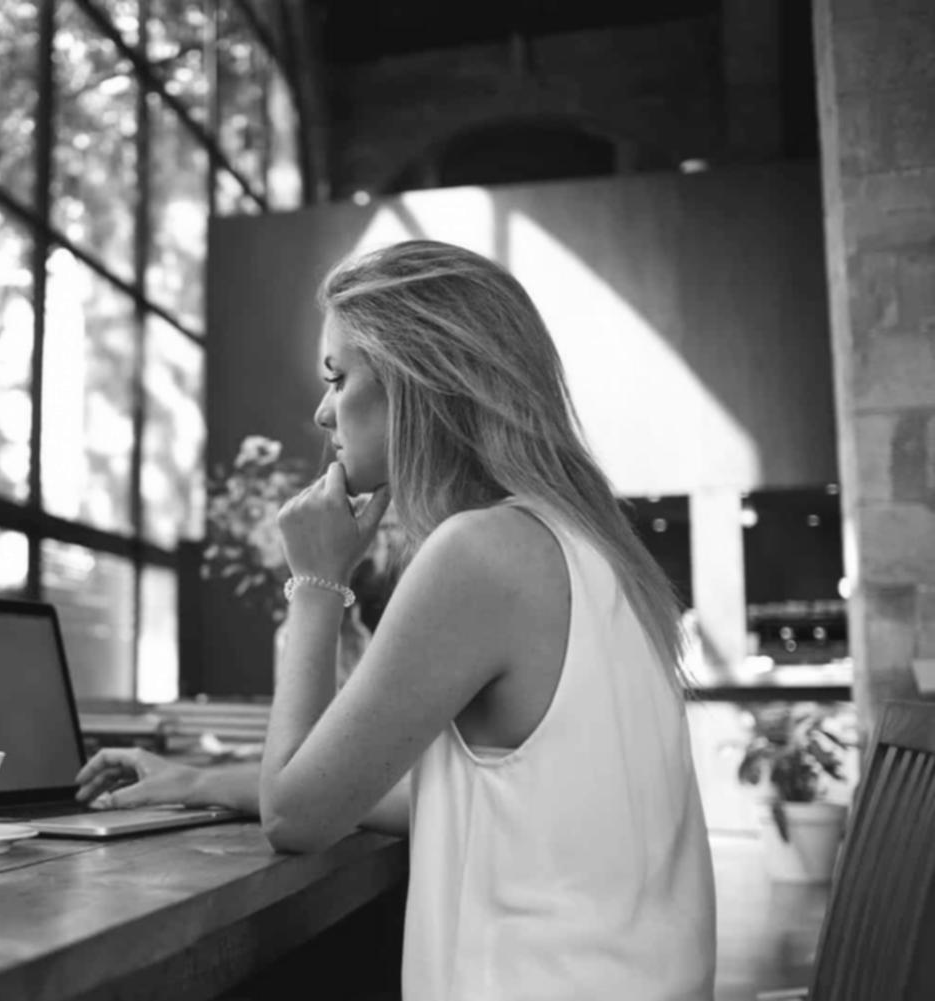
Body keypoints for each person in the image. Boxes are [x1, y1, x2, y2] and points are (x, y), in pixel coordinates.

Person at [75, 239, 716, 999]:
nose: (322, 411)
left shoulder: (482, 552)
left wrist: (316, 581)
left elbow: (296, 817)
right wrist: (200, 779)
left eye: (338, 377)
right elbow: (423, 795)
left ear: (416, 380)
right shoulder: (596, 550)